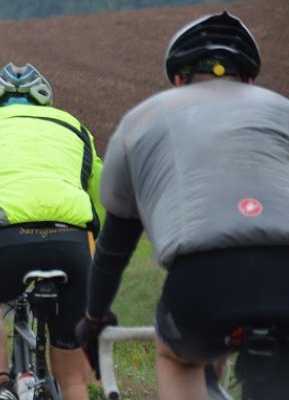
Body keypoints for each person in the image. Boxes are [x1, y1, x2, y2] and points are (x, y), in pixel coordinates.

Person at [76, 11, 289, 399]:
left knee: (175, 355)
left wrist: (94, 318)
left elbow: (113, 248)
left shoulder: (142, 120)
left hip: (202, 286)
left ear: (177, 80)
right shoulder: (281, 109)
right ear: (249, 79)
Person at [0, 63, 102, 400]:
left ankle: (1, 385)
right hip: (74, 244)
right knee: (74, 381)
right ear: (45, 102)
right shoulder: (74, 127)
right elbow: (103, 195)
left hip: (6, 242)